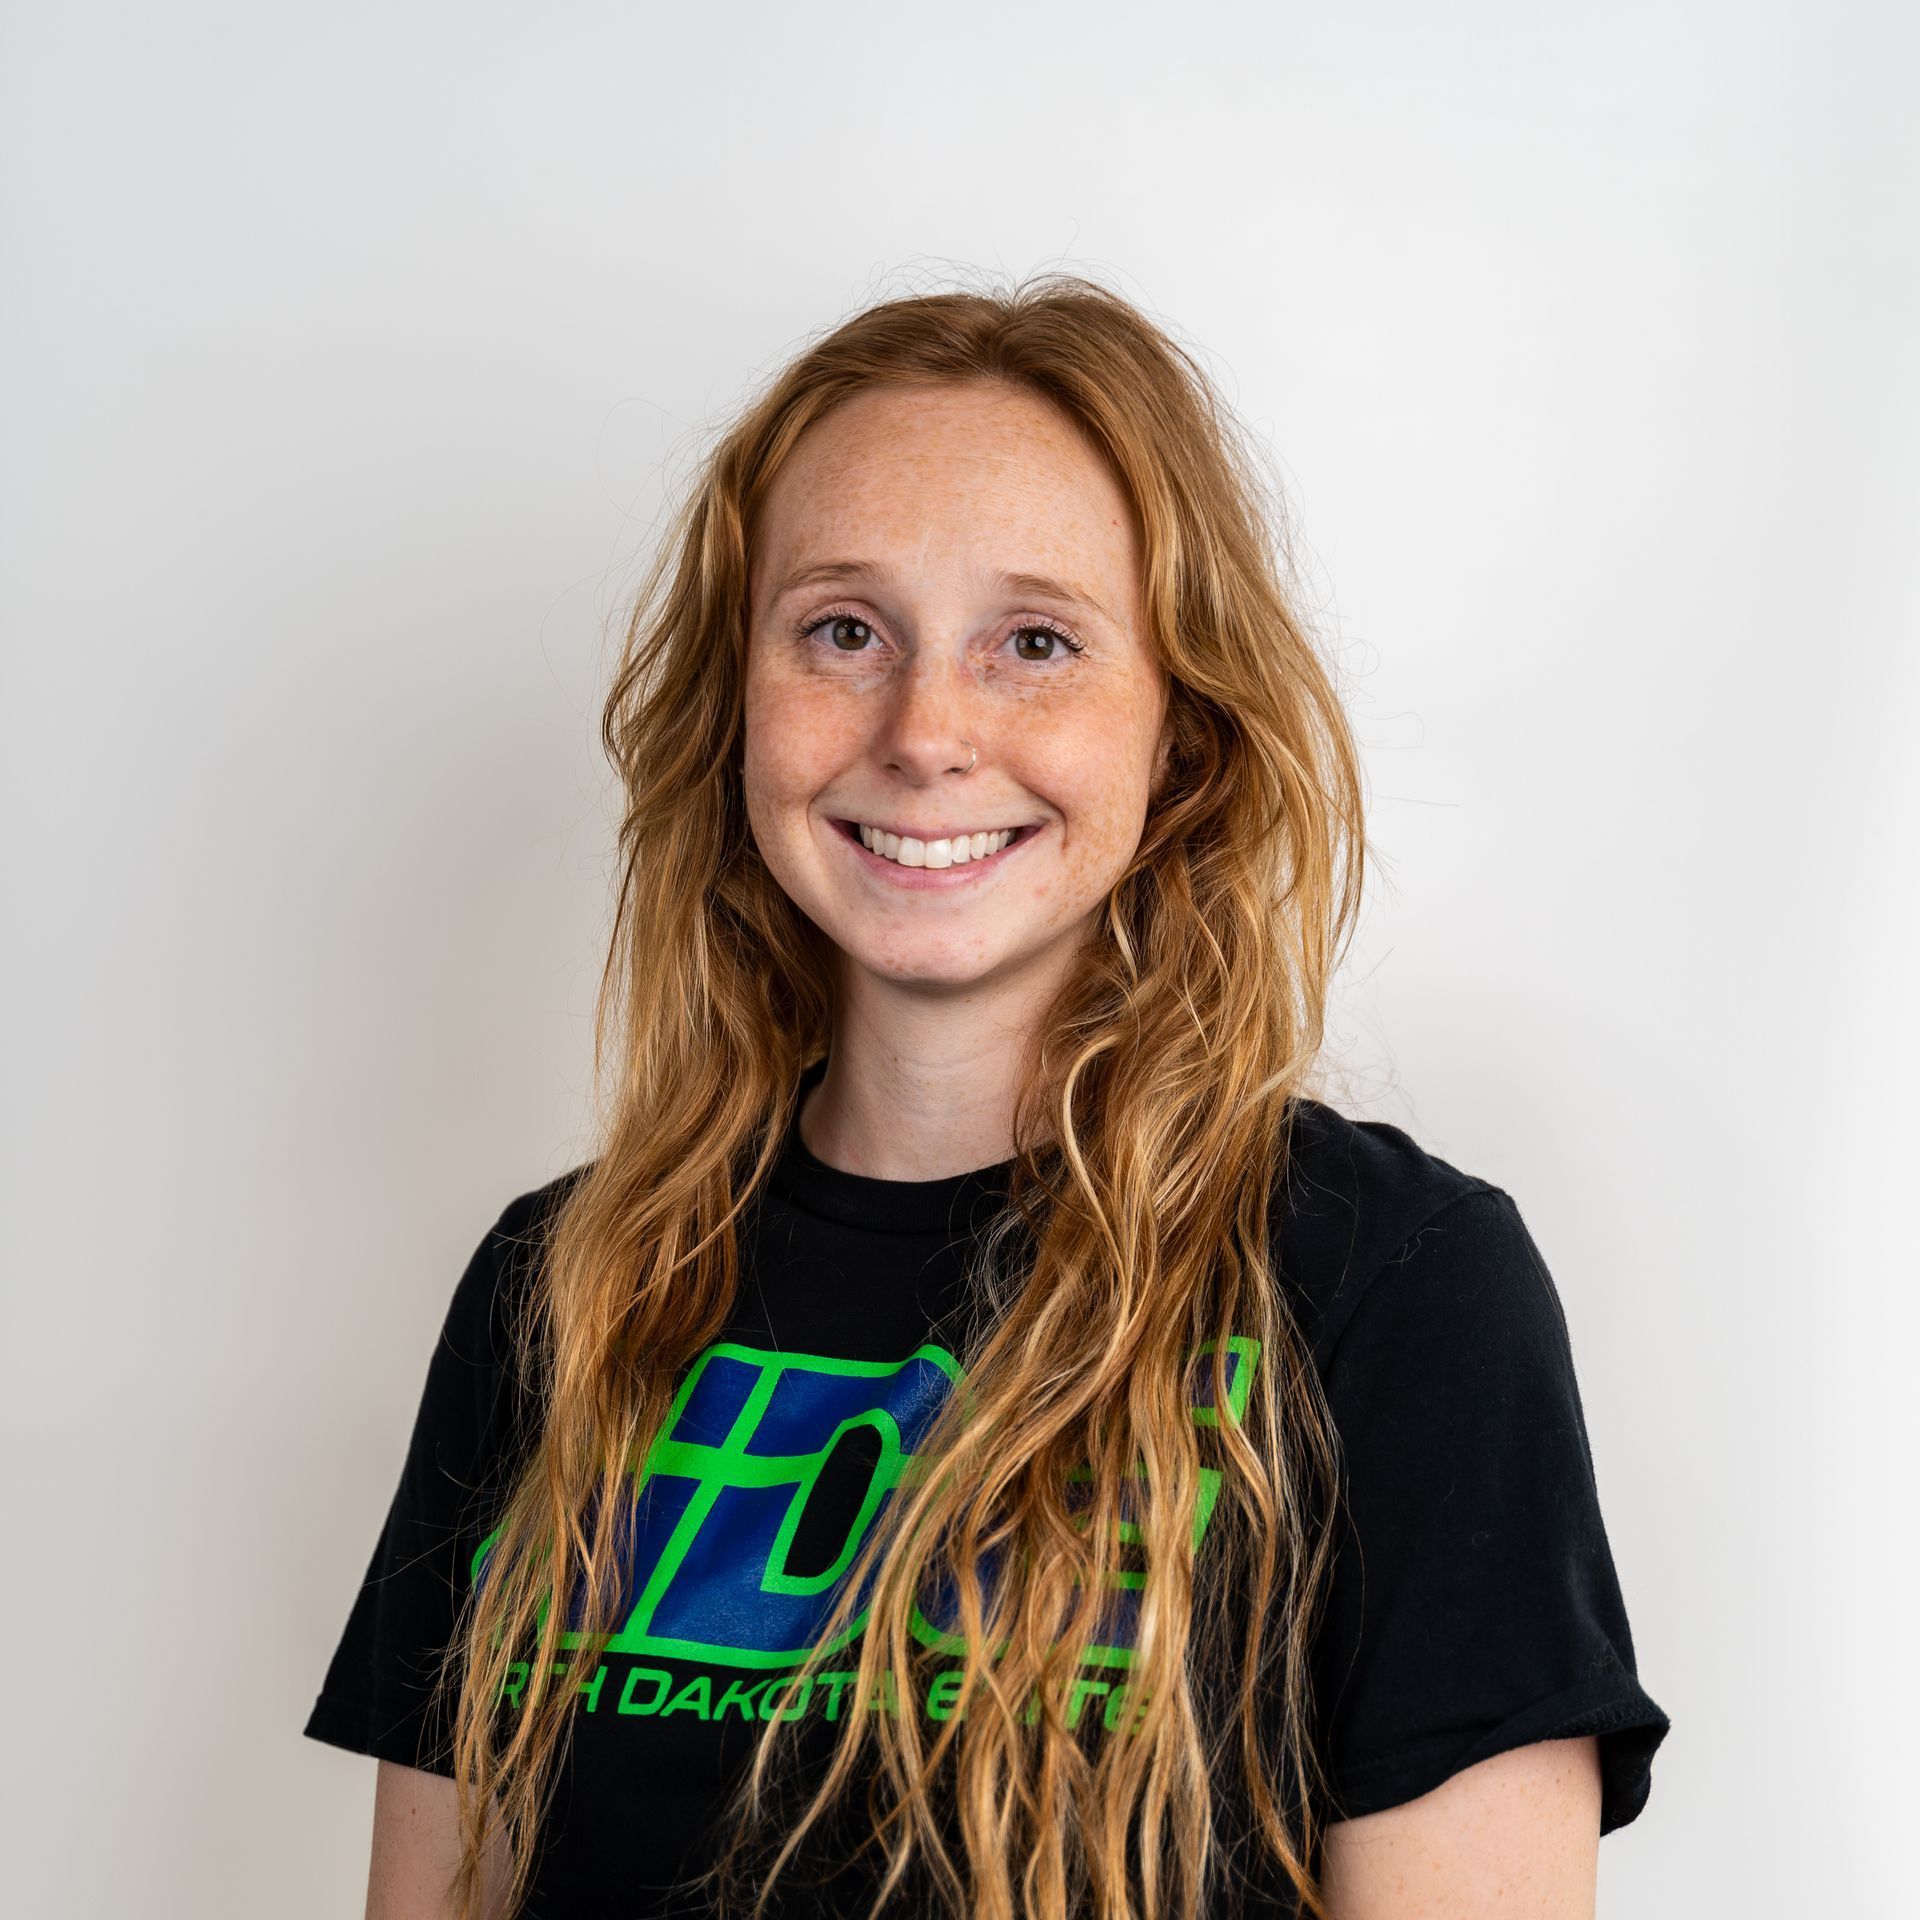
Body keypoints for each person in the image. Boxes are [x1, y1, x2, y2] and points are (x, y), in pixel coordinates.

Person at [303, 274, 1669, 1920]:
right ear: (736, 708)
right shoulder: (564, 1289)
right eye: (842, 632)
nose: (927, 731)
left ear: (1182, 734)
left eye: (1034, 643)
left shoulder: (1397, 1288)